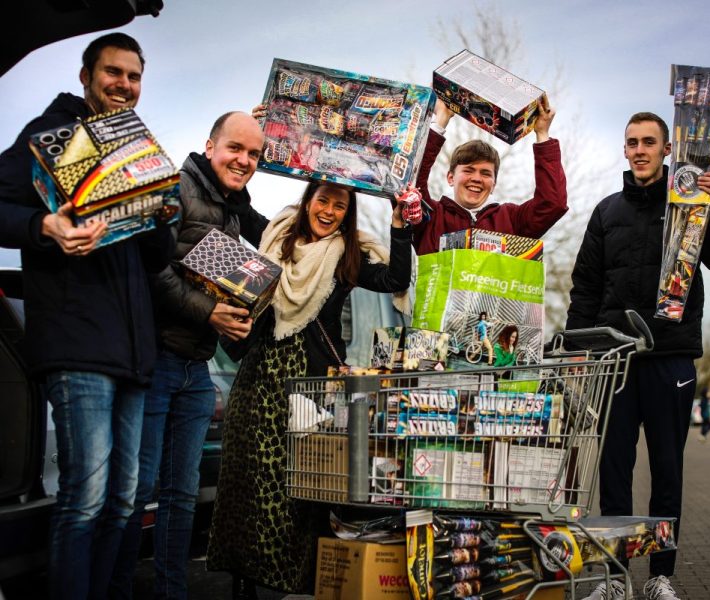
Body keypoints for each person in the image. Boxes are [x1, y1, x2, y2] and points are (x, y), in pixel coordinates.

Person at [0, 33, 174, 600]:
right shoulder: (50, 134)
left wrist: (161, 213)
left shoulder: (133, 149)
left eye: (134, 76)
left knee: (125, 501)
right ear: (85, 76)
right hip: (76, 345)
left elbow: (158, 255)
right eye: (114, 72)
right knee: (85, 498)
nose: (124, 84)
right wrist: (42, 227)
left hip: (131, 350)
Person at [567, 112, 710, 600]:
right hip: (616, 361)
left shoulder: (694, 207)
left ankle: (660, 576)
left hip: (671, 357)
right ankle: (615, 578)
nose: (640, 150)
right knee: (614, 471)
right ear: (624, 151)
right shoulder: (606, 212)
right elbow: (584, 288)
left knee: (668, 468)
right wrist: (580, 349)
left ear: (668, 150)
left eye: (650, 142)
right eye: (632, 143)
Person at [205, 181, 411, 598]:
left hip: (309, 388)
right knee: (247, 482)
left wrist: (399, 226)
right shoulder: (275, 237)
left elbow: (394, 277)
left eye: (340, 205)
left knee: (304, 487)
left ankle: (301, 582)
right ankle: (243, 580)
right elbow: (240, 206)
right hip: (258, 380)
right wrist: (267, 136)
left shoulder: (344, 256)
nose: (329, 211)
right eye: (323, 200)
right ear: (308, 202)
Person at [109, 112, 268, 600]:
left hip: (195, 370)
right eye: (234, 149)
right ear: (210, 146)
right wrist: (211, 316)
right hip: (155, 362)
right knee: (133, 494)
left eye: (254, 153)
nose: (243, 160)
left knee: (180, 497)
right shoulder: (176, 187)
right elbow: (152, 270)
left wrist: (237, 317)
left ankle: (171, 592)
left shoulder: (231, 210)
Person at [411, 98, 568, 255]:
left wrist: (542, 133)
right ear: (451, 178)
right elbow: (409, 181)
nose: (477, 178)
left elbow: (552, 204)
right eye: (468, 170)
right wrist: (441, 118)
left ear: (493, 184)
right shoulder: (430, 216)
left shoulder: (512, 220)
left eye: (485, 173)